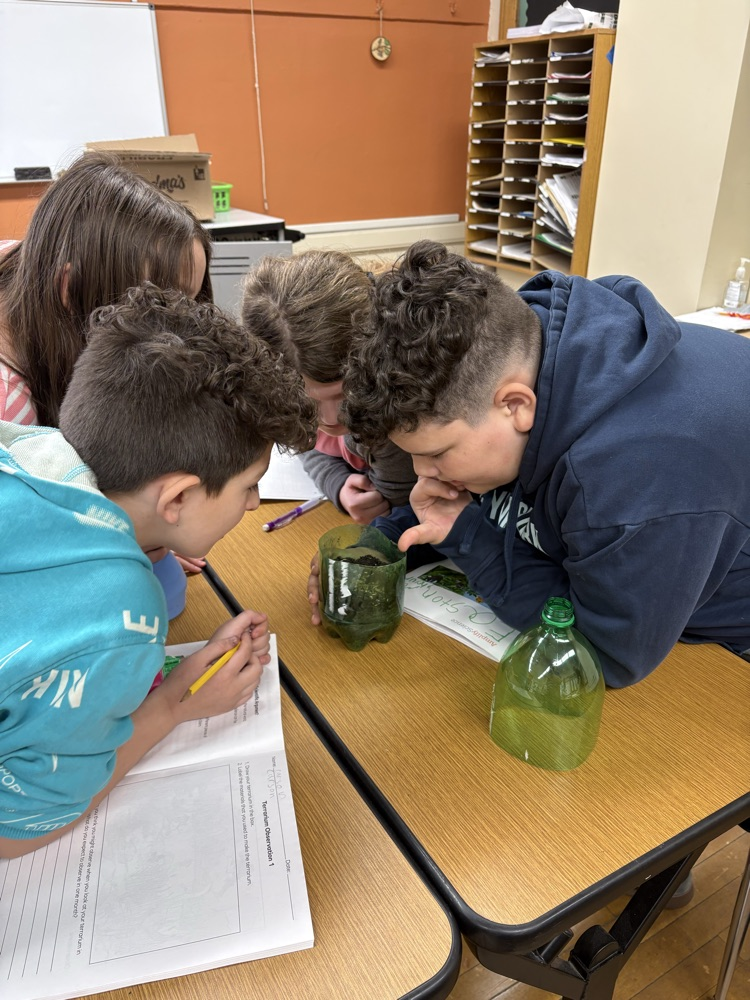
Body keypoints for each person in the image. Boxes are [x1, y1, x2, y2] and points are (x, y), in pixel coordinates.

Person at [341, 240, 750, 689]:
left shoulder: (628, 479)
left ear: (516, 405)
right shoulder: (530, 348)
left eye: (437, 453)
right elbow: (495, 508)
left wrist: (467, 536)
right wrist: (383, 543)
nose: (421, 472)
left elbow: (598, 657)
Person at [0, 283, 316, 858]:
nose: (252, 505)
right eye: (249, 487)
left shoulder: (29, 450)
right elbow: (18, 826)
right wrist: (176, 703)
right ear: (176, 499)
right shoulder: (121, 614)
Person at [0, 151, 215, 610]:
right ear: (69, 288)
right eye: (158, 308)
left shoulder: (31, 269)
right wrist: (124, 535)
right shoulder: (10, 413)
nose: (175, 333)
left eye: (189, 303)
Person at [241, 250, 417, 524]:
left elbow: (398, 511)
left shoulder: (393, 408)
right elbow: (309, 446)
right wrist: (337, 482)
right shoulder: (284, 395)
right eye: (308, 401)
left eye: (344, 393)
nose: (330, 418)